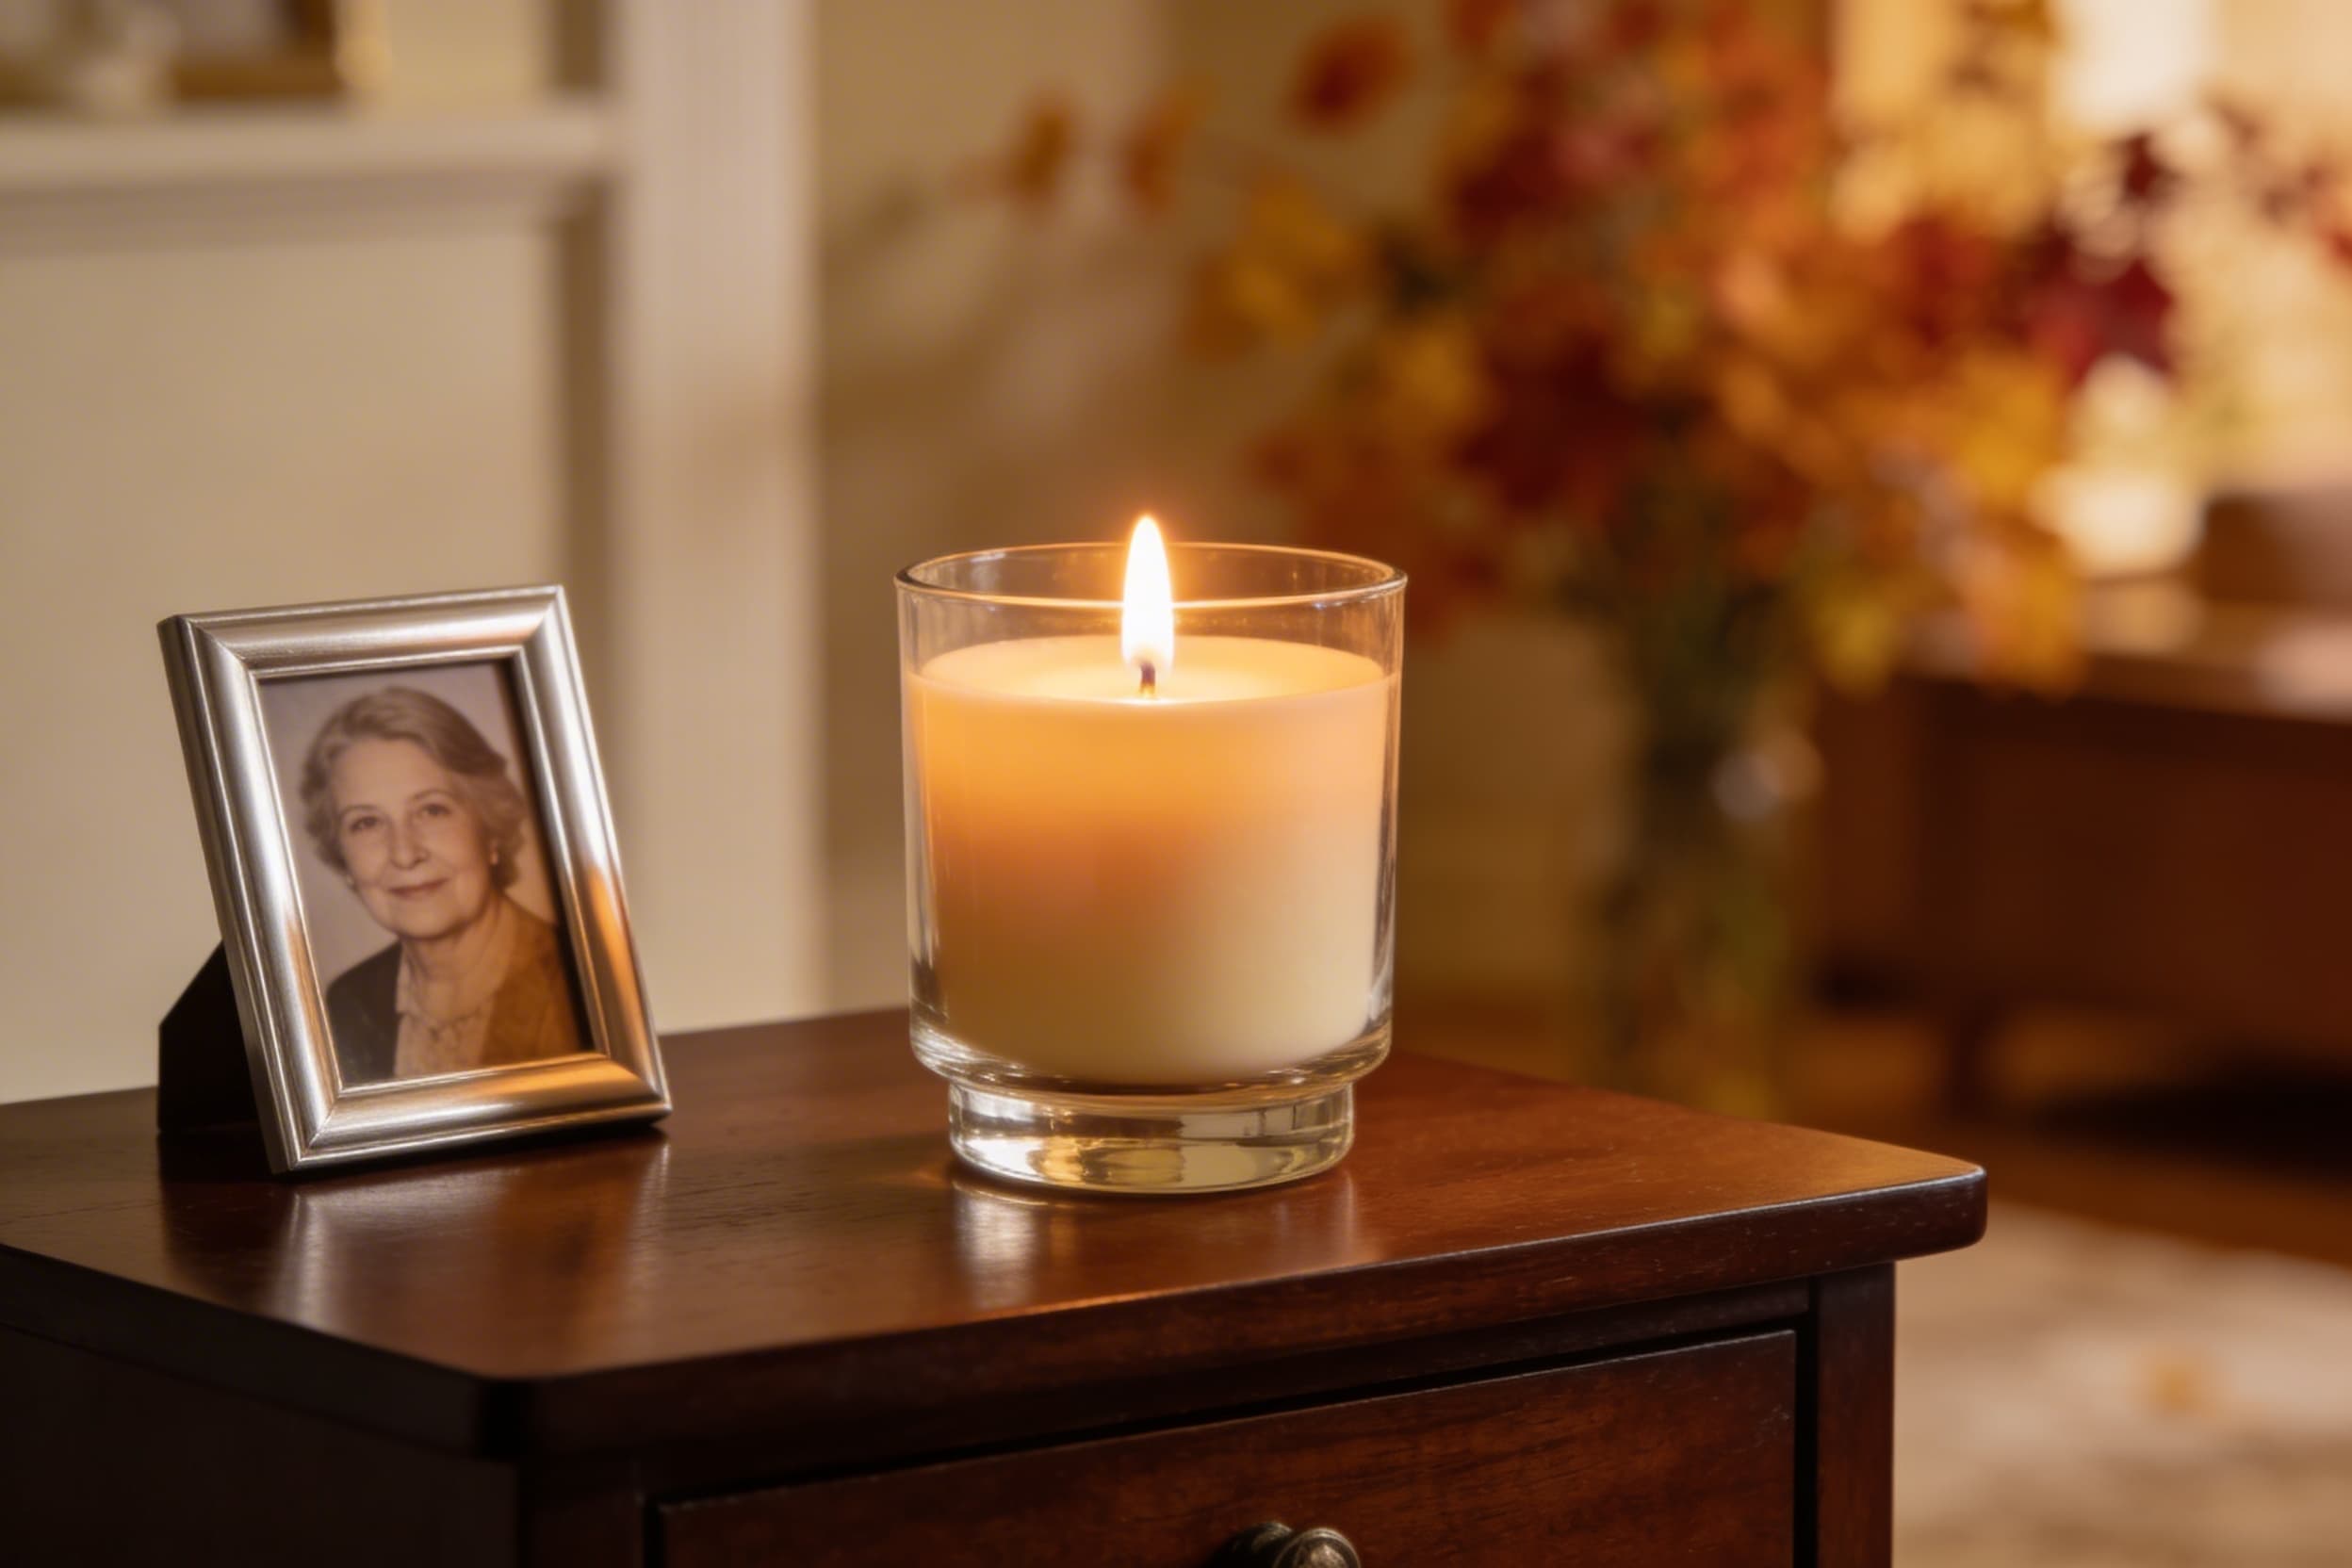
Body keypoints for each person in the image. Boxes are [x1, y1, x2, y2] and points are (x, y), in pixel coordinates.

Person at [298, 686, 583, 1086]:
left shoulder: (578, 986)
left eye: (432, 810)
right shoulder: (348, 1001)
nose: (404, 853)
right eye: (366, 822)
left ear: (490, 829)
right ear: (341, 856)